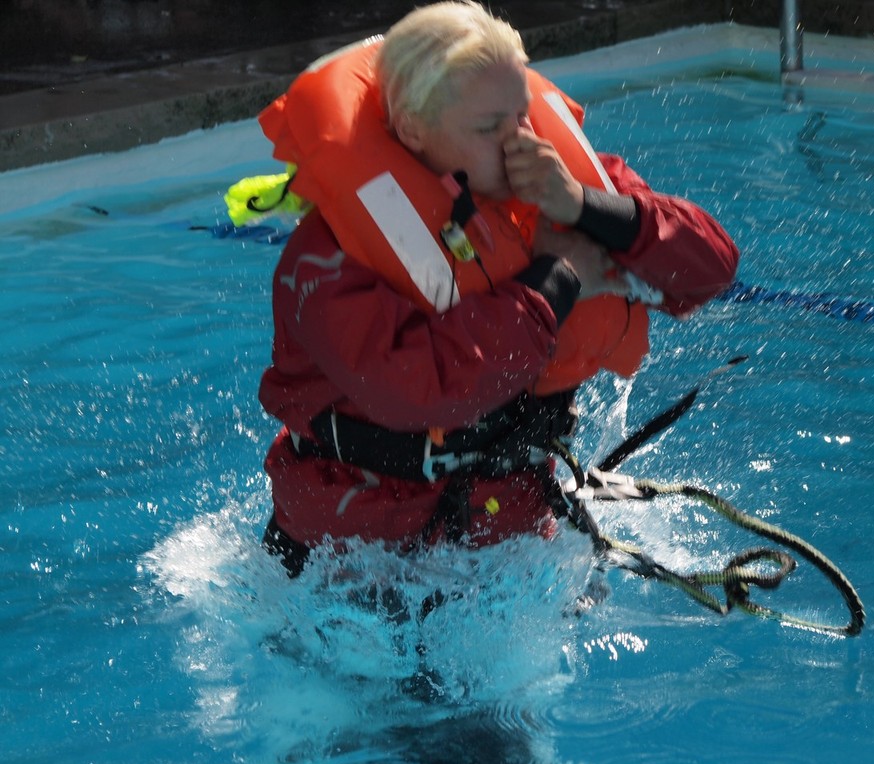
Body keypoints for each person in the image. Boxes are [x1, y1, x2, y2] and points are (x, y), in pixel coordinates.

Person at [253, 1, 739, 576]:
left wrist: (587, 206)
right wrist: (558, 282)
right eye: (489, 127)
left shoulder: (555, 187)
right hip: (354, 559)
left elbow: (711, 267)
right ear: (412, 128)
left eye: (523, 116)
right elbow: (421, 391)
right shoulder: (327, 258)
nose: (519, 141)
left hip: (508, 526)